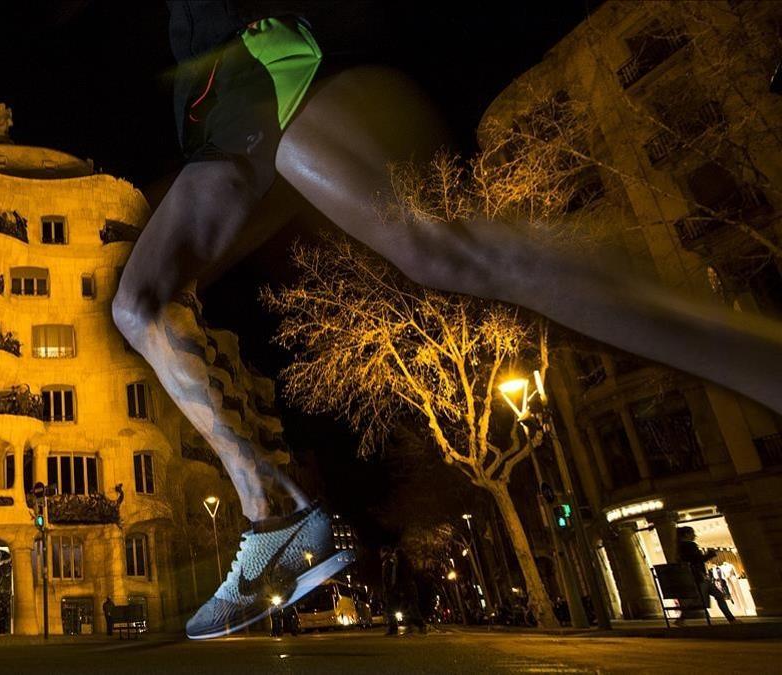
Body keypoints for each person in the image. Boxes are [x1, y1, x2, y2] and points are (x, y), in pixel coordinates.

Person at [112, 1, 782, 640]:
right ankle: (273, 510)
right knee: (139, 302)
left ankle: (761, 362)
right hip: (213, 112)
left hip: (266, 56)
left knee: (443, 247)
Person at [676, 526, 736, 623]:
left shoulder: (679, 547)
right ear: (686, 534)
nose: (694, 535)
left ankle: (681, 619)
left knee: (700, 599)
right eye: (692, 533)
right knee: (717, 596)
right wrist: (710, 554)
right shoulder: (690, 545)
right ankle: (731, 619)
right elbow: (697, 559)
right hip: (699, 576)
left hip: (693, 576)